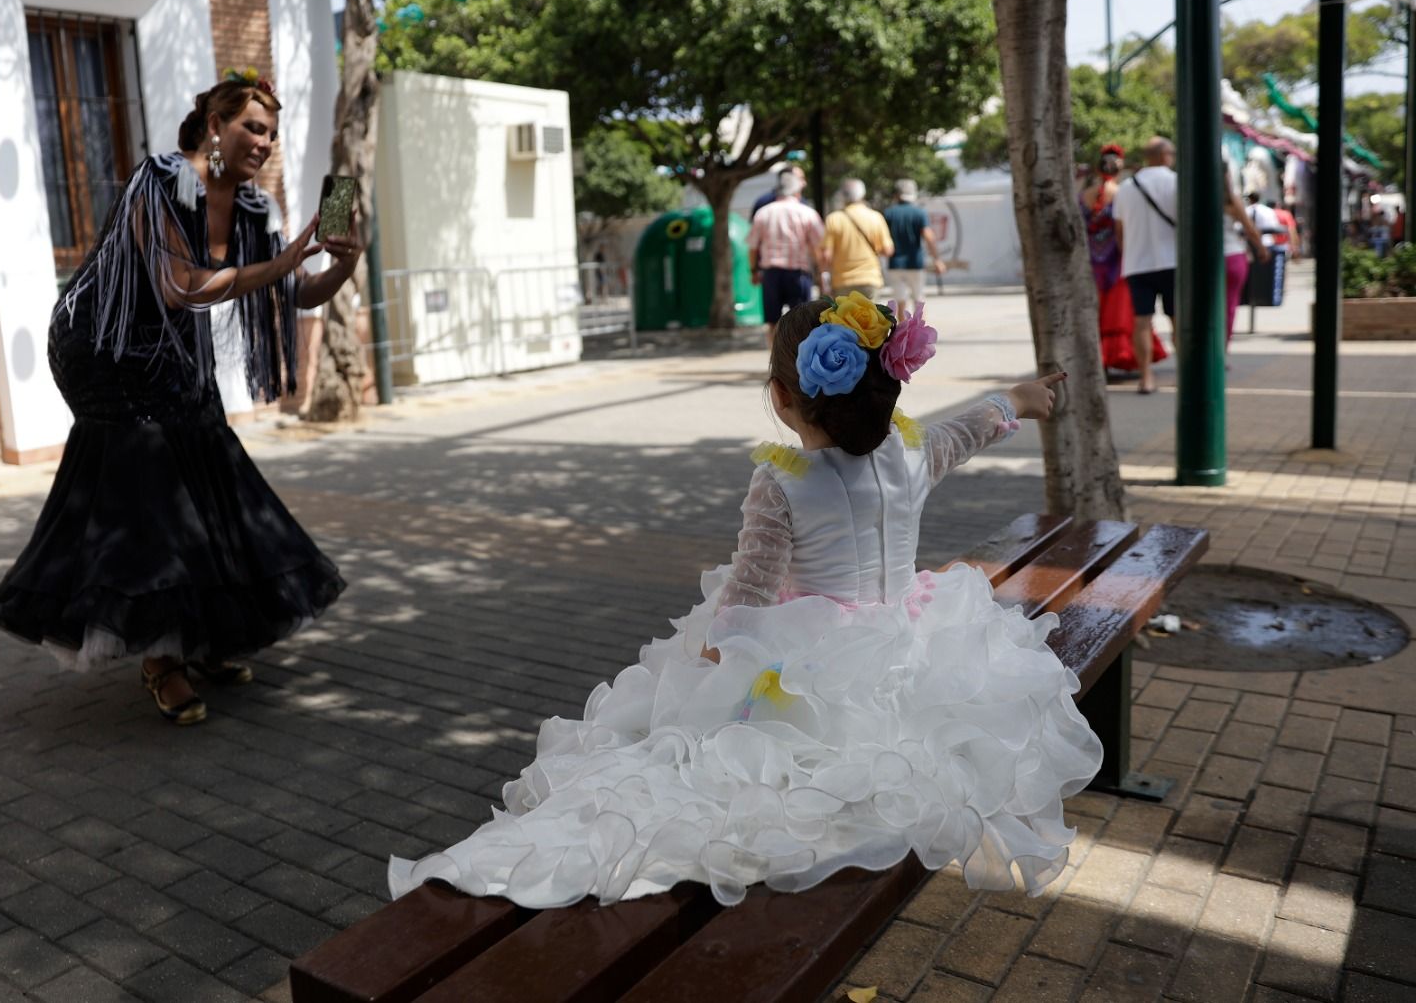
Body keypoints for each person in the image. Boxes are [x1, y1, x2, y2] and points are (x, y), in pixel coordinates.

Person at [388, 294, 1101, 908]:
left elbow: (752, 593)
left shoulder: (783, 481)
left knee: (713, 755)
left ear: (784, 397)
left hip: (813, 657)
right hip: (912, 641)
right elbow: (971, 427)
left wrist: (708, 661)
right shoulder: (909, 451)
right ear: (889, 388)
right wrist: (1021, 398)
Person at [0, 71, 360, 725]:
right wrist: (288, 254)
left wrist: (343, 264)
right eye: (252, 127)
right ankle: (162, 657)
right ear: (216, 127)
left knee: (213, 468)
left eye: (272, 132)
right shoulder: (163, 181)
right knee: (156, 489)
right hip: (103, 346)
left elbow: (292, 293)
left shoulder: (246, 208)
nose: (265, 142)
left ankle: (209, 633)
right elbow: (182, 285)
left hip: (171, 350)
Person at [1080, 143, 1165, 375]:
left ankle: (1100, 362)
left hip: (1092, 264)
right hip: (1117, 263)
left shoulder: (1084, 195)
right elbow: (1123, 231)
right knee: (1122, 313)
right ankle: (1126, 358)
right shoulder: (1122, 193)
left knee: (1096, 312)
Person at [1113, 136, 1178, 394]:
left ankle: (1146, 377)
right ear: (1164, 156)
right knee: (1178, 320)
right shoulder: (1175, 182)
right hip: (1173, 261)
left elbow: (1119, 230)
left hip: (1137, 264)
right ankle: (1184, 375)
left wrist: (1128, 254)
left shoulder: (1126, 187)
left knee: (1142, 322)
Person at [749, 169, 826, 343]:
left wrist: (754, 271)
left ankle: (775, 363)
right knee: (802, 322)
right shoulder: (807, 213)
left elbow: (753, 247)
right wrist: (821, 272)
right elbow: (818, 247)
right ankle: (797, 361)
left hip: (771, 274)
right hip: (798, 274)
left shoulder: (763, 213)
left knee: (772, 322)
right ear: (797, 191)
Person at [821, 178, 893, 300]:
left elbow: (826, 256)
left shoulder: (833, 219)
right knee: (871, 317)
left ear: (842, 195)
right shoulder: (875, 217)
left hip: (842, 282)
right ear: (863, 194)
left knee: (843, 318)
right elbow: (888, 250)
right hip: (870, 279)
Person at [882, 180, 946, 306]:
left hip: (895, 263)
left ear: (897, 194)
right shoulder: (919, 213)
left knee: (900, 302)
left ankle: (903, 326)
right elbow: (929, 237)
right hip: (915, 262)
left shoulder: (889, 213)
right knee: (918, 300)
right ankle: (919, 326)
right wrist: (937, 259)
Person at [1223, 175, 1267, 348]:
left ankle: (1204, 350)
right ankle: (1221, 350)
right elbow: (1250, 229)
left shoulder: (1191, 195)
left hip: (1201, 259)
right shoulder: (1230, 200)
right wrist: (1262, 249)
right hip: (1232, 255)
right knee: (1229, 306)